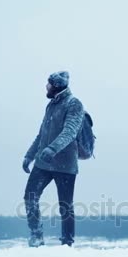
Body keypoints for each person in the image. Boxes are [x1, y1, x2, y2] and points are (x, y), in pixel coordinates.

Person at [22, 71, 85, 247]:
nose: (46, 87)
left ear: (56, 85)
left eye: (48, 84)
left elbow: (70, 132)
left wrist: (53, 149)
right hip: (43, 163)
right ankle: (36, 235)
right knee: (30, 197)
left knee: (65, 205)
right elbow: (41, 134)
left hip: (65, 165)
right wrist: (29, 155)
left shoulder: (74, 104)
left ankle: (67, 243)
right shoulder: (51, 106)